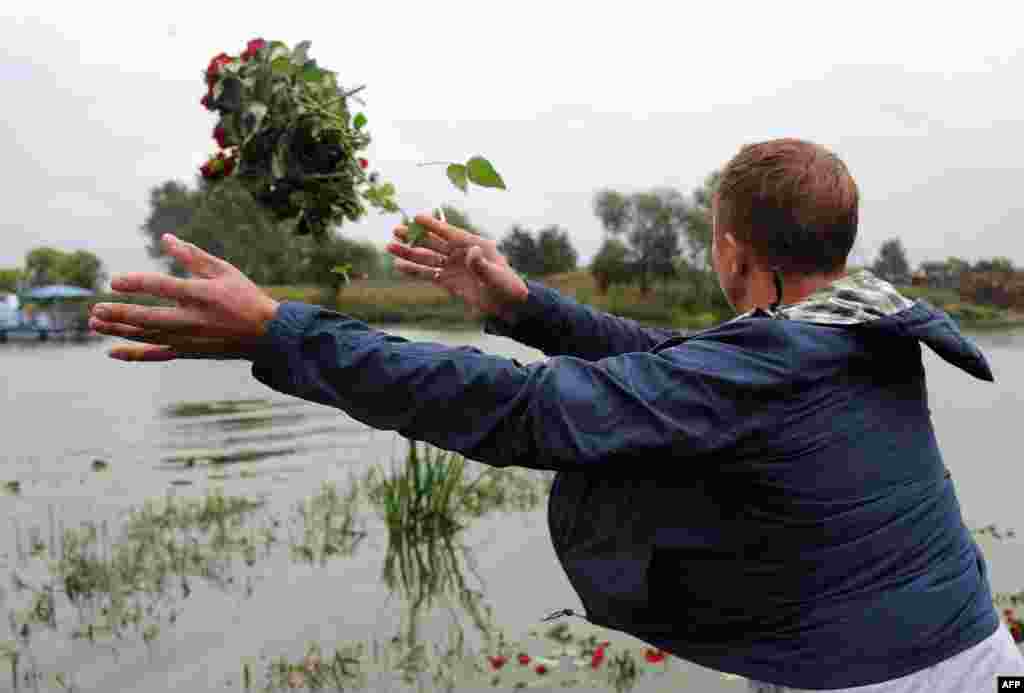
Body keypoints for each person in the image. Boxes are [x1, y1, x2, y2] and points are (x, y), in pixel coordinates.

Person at [89, 138, 1023, 691]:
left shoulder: (782, 355)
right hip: (975, 651)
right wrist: (521, 306)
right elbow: (678, 362)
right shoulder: (862, 322)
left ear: (732, 250)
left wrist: (280, 331)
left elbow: (522, 408)